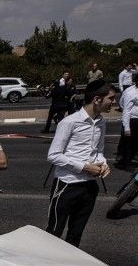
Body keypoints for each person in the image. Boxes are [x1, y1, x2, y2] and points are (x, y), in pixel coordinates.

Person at [45, 79, 114, 247]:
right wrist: (84, 167)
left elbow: (98, 151)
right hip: (67, 185)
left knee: (76, 234)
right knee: (53, 232)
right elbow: (53, 155)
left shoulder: (101, 122)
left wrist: (103, 164)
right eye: (111, 98)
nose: (113, 102)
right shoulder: (69, 122)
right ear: (97, 99)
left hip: (89, 187)